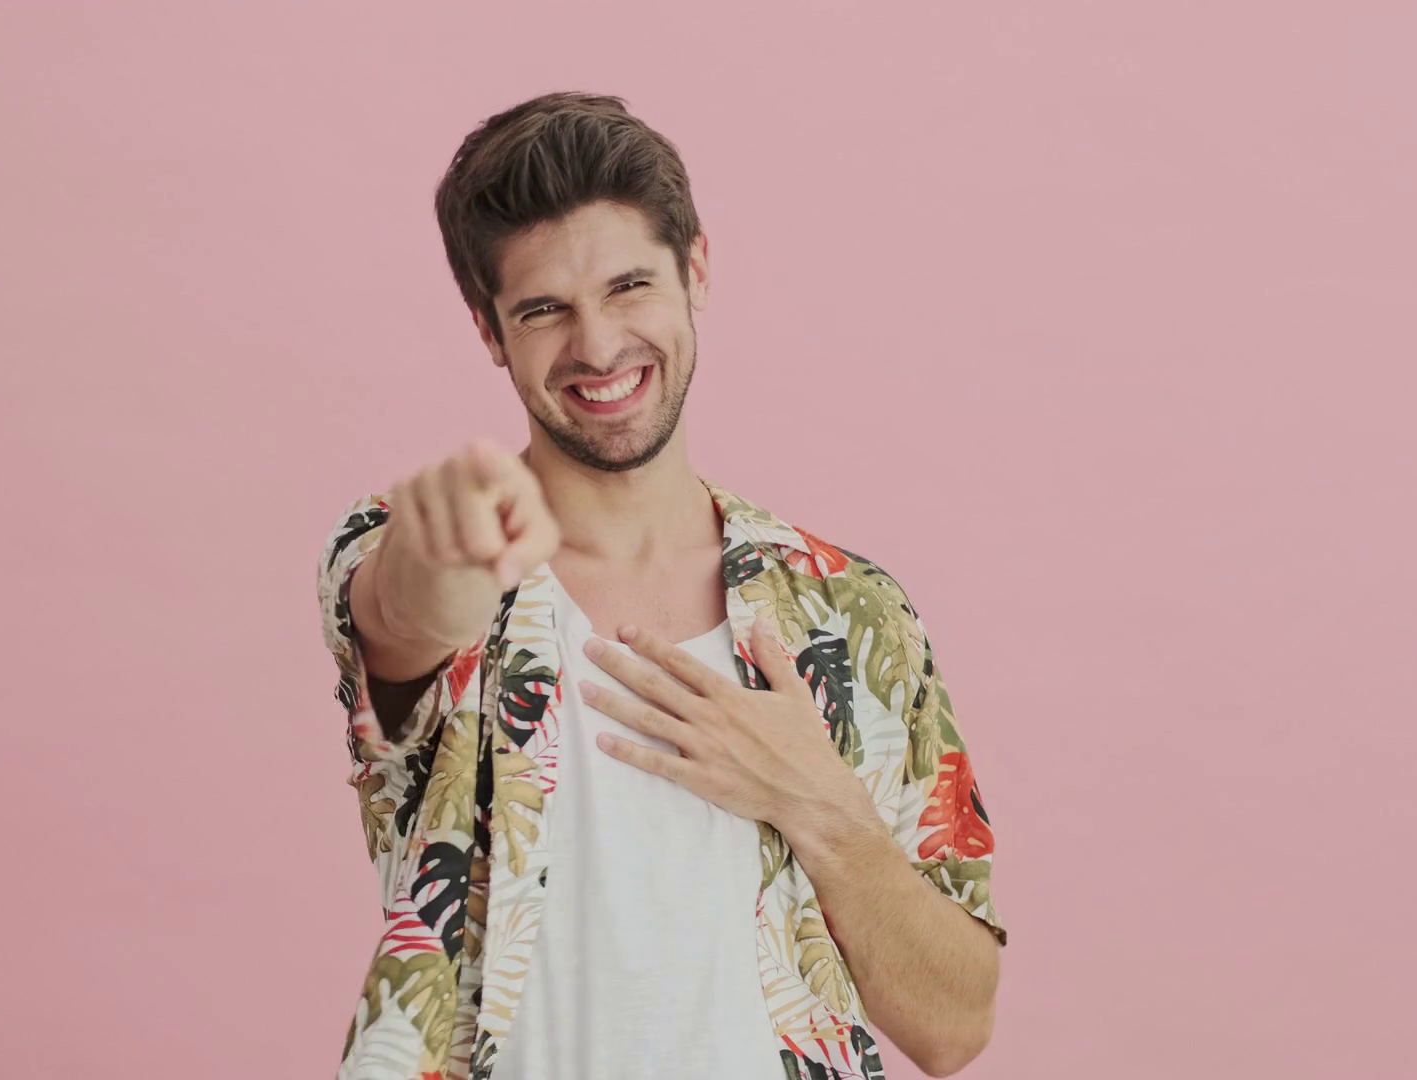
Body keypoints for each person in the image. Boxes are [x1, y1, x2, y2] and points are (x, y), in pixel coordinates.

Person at [317, 92, 1004, 1080]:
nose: (597, 346)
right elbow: (408, 613)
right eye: (544, 309)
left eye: (629, 286)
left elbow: (956, 1026)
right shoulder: (410, 551)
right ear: (489, 330)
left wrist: (820, 806)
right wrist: (446, 554)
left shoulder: (849, 609)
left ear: (697, 271)